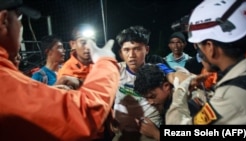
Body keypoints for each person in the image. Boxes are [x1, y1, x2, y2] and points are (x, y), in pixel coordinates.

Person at [0, 1, 120, 141]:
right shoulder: (65, 71)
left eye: (92, 41)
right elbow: (80, 117)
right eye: (20, 18)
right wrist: (106, 61)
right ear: (4, 20)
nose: (21, 26)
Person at [165, 0, 246, 125]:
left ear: (210, 47)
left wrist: (181, 88)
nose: (198, 51)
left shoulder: (231, 95)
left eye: (198, 46)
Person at [111, 25, 161, 141]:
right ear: (121, 53)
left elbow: (176, 75)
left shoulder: (157, 69)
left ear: (147, 49)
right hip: (122, 131)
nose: (131, 55)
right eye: (126, 50)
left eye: (137, 49)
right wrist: (111, 114)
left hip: (148, 133)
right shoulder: (115, 70)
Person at [133, 63, 208, 140]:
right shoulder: (166, 105)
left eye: (152, 96)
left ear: (166, 86)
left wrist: (155, 134)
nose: (150, 102)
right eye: (146, 99)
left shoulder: (184, 108)